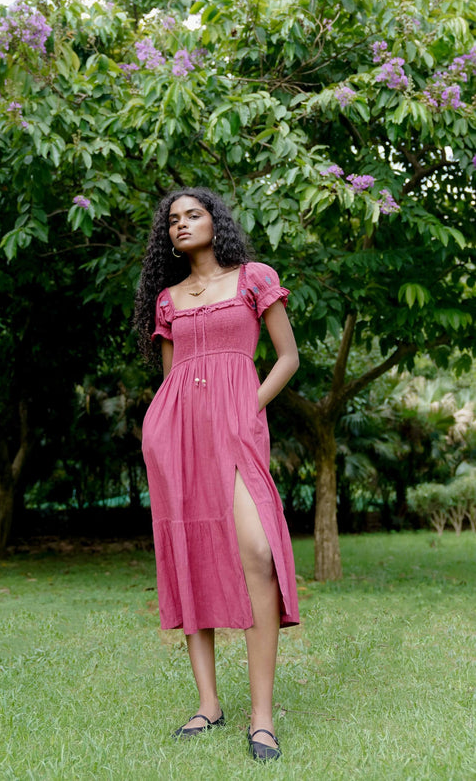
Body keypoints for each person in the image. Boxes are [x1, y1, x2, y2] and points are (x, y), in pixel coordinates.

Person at [135, 187, 300, 762]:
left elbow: (287, 357)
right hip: (175, 436)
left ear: (215, 221)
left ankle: (262, 716)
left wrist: (249, 408)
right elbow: (171, 377)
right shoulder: (168, 298)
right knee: (188, 550)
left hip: (237, 425)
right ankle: (209, 703)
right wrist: (160, 429)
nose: (182, 224)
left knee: (257, 550)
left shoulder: (255, 276)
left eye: (193, 214)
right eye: (173, 219)